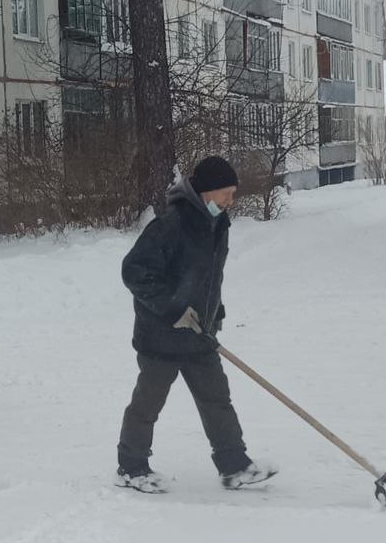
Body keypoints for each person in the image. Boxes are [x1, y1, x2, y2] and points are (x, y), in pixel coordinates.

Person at [116, 155, 275, 494]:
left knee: (217, 399)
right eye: (225, 193)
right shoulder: (170, 225)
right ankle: (131, 468)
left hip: (198, 335)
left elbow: (207, 277)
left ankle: (234, 466)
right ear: (206, 192)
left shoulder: (217, 224)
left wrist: (214, 313)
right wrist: (174, 310)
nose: (230, 201)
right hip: (161, 337)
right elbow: (135, 271)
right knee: (148, 404)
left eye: (232, 194)